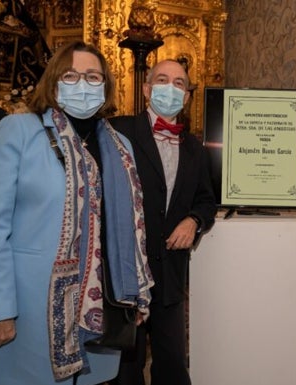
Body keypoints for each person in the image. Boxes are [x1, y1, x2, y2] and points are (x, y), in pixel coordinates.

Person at [0, 41, 154, 385]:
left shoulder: (121, 147)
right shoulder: (18, 132)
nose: (83, 84)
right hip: (29, 310)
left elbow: (128, 228)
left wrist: (132, 291)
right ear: (53, 81)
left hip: (101, 311)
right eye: (71, 75)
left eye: (93, 76)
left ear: (105, 85)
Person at [110, 59, 217, 385]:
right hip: (126, 276)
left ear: (186, 97)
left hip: (170, 275)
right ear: (146, 89)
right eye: (162, 80)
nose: (170, 88)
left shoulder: (195, 148)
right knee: (126, 369)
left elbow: (206, 200)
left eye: (179, 83)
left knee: (172, 366)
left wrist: (193, 221)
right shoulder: (118, 131)